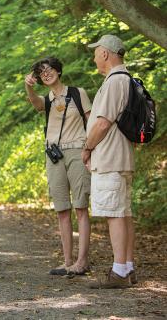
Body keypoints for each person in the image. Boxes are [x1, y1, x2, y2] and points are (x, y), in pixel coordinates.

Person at [25, 57, 92, 276]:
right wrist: (28, 87)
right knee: (62, 209)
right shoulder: (47, 100)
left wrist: (90, 151)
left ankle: (82, 262)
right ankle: (67, 261)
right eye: (41, 72)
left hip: (77, 152)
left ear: (59, 71)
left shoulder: (77, 93)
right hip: (54, 155)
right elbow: (35, 103)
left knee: (81, 207)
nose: (46, 73)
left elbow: (91, 123)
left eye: (50, 69)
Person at [82, 34, 136, 288]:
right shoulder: (126, 79)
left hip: (109, 158)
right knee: (123, 213)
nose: (94, 57)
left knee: (114, 214)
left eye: (96, 52)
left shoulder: (115, 82)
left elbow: (103, 123)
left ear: (105, 53)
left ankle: (119, 272)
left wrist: (87, 147)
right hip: (120, 157)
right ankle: (127, 266)